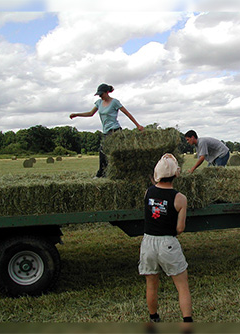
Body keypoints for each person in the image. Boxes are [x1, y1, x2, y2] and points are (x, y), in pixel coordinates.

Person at [139, 153, 193, 323]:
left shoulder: (148, 192)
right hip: (167, 243)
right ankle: (187, 322)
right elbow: (180, 228)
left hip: (148, 242)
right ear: (175, 174)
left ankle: (154, 318)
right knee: (182, 286)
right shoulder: (180, 198)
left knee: (152, 285)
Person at [69, 83, 144, 177]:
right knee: (103, 153)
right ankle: (106, 173)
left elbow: (127, 113)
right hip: (105, 131)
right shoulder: (99, 102)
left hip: (115, 131)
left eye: (101, 94)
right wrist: (77, 114)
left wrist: (138, 125)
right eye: (99, 94)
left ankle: (101, 174)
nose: (100, 96)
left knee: (104, 151)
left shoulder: (115, 102)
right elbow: (91, 113)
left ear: (107, 92)